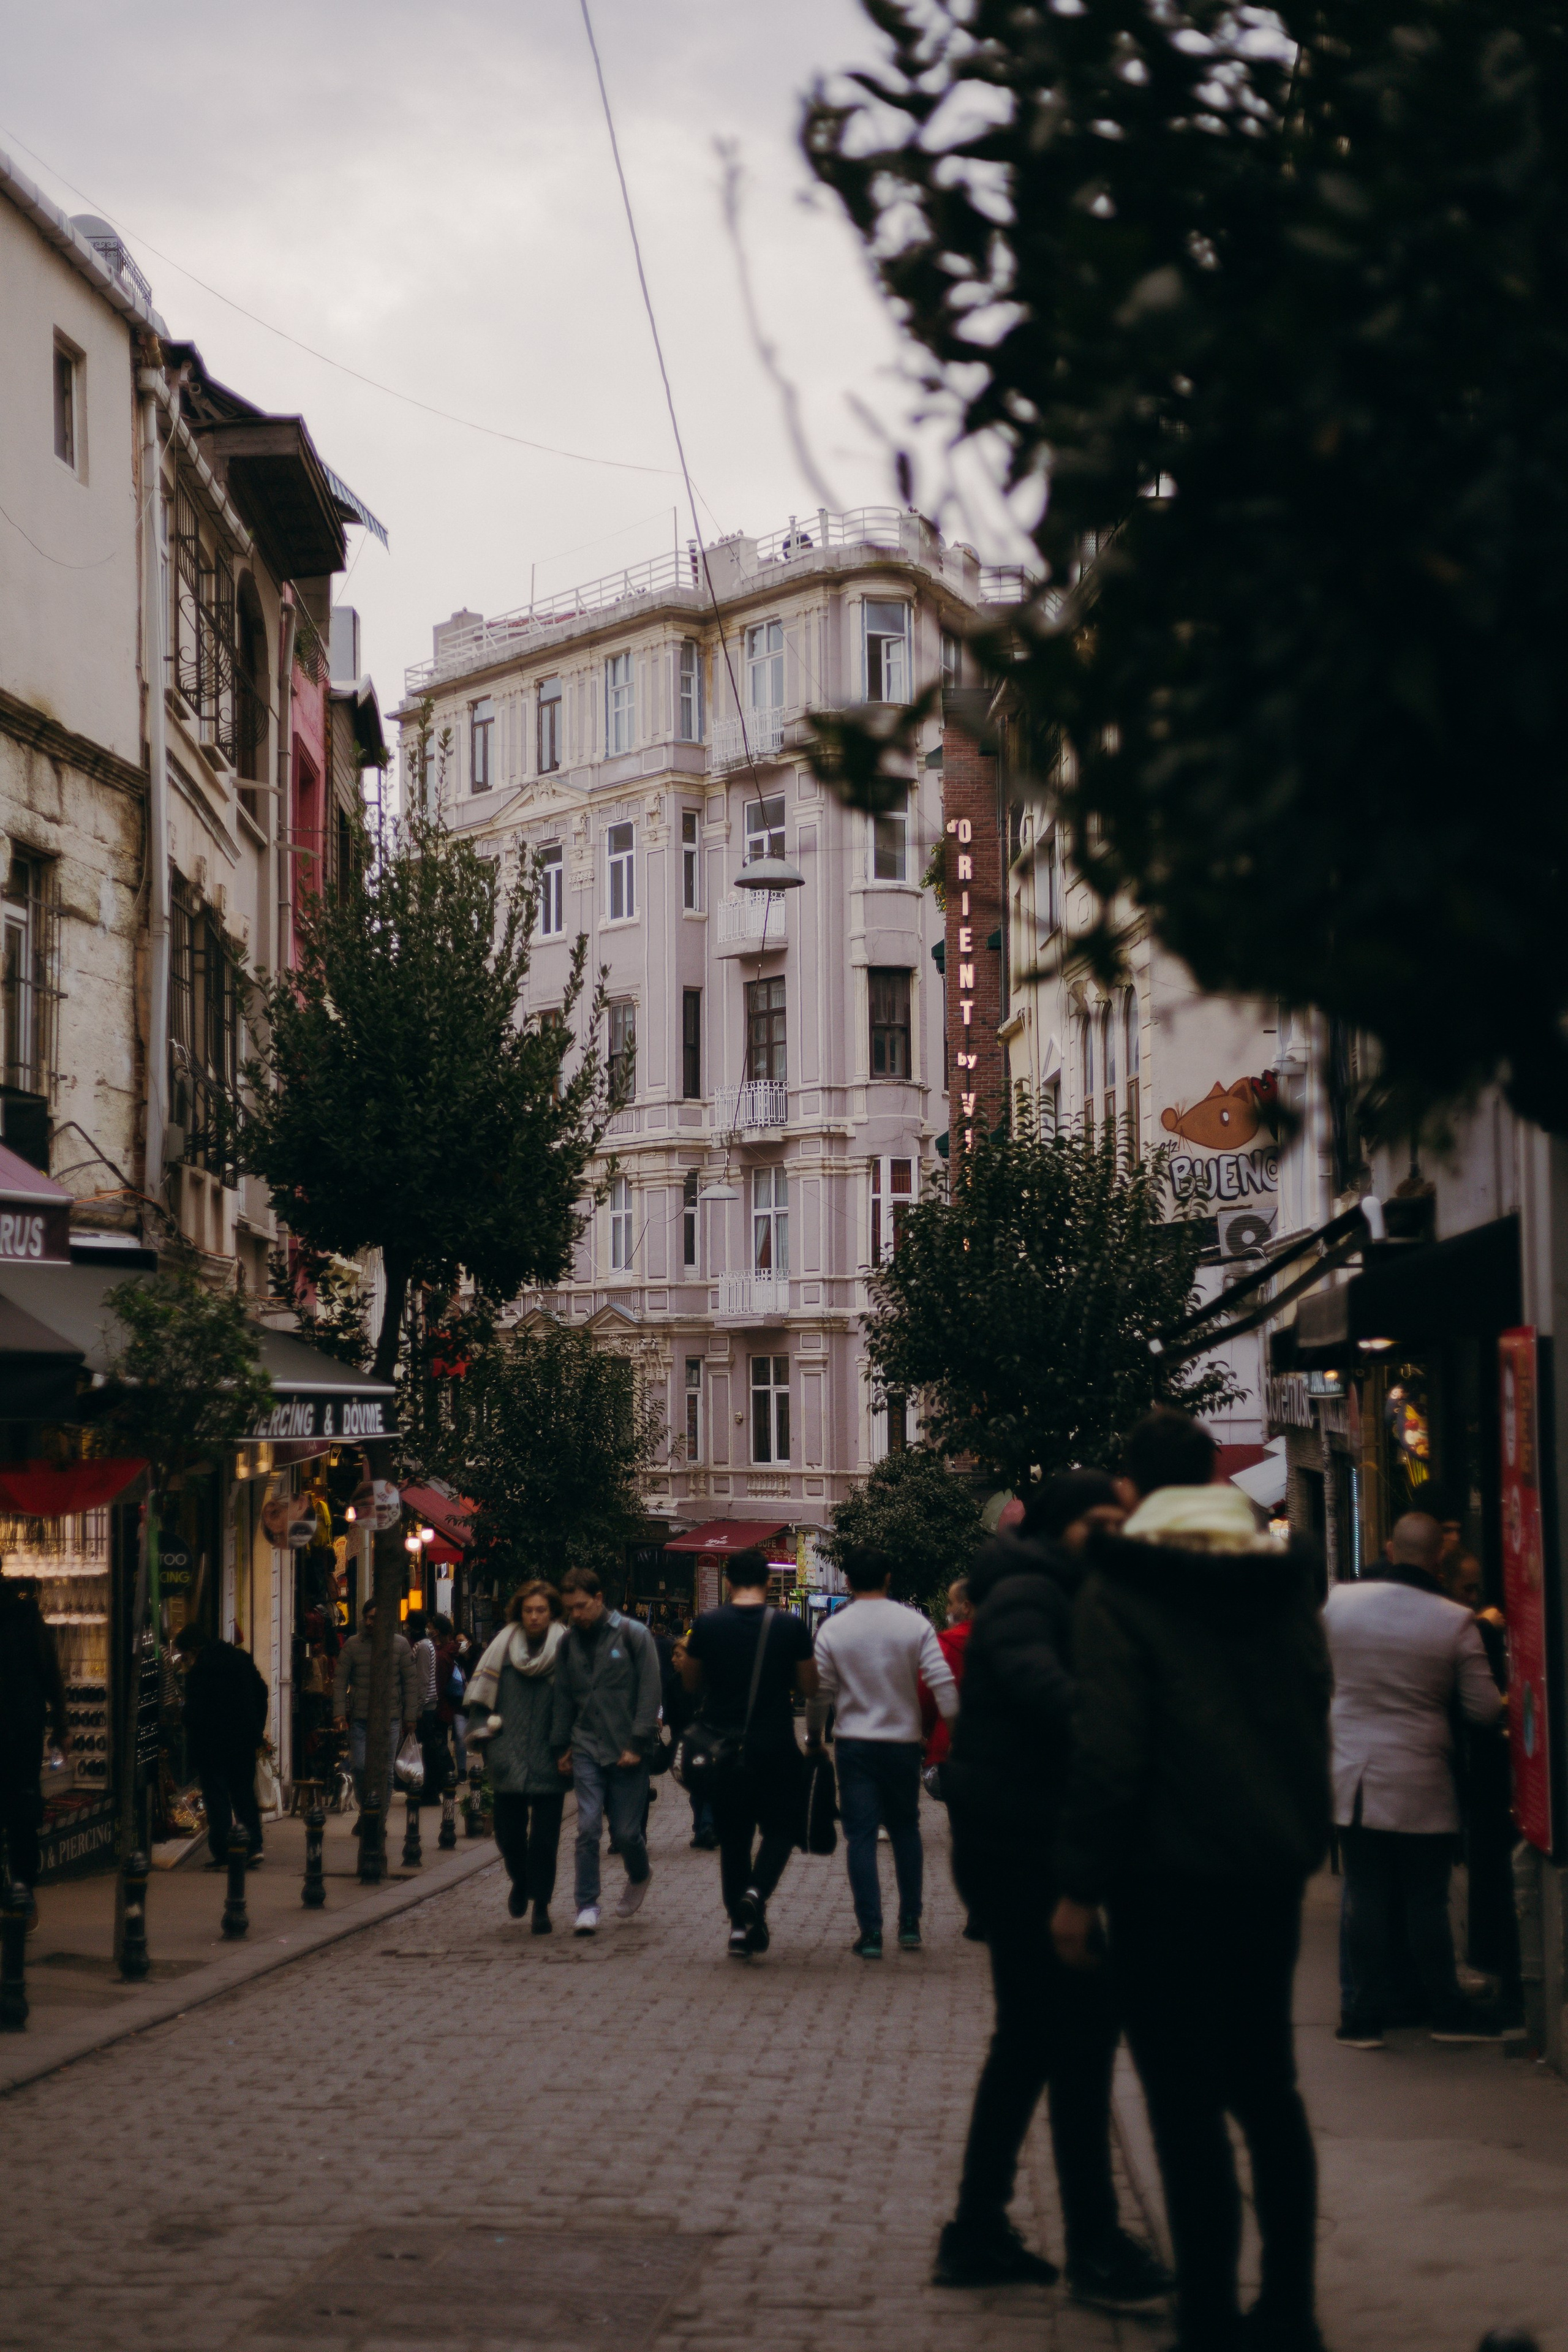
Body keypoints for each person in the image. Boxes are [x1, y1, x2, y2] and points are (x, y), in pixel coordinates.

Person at [1052, 1409, 1332, 2352]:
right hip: (1267, 1864)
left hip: (1164, 1874)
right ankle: (1289, 2309)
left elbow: (1111, 1747)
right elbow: (1311, 1706)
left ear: (1132, 1491)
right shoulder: (1282, 1581)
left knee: (1183, 2102)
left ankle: (1208, 2316)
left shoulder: (1120, 1590)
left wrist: (1080, 1884)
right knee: (1269, 2090)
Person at [938, 1471, 1169, 2307]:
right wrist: (1118, 1724)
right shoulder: (1030, 1597)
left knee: (1037, 2043)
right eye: (1108, 1519)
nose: (1121, 1531)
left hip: (1022, 1845)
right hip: (1020, 1854)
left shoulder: (1061, 1588)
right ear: (1073, 1527)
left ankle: (981, 2230)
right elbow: (1041, 1687)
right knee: (1071, 2042)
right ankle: (1091, 2245)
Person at [1323, 1510, 1506, 2048]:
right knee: (1427, 1902)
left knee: (1365, 1895)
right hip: (1421, 1775)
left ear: (1391, 1548)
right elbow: (1483, 1710)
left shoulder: (1338, 1603)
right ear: (1438, 1561)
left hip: (1354, 1774)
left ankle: (1363, 2017)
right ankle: (1446, 2011)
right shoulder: (1454, 1621)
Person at [805, 1546, 958, 1956]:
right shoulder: (914, 1625)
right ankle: (910, 1923)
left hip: (854, 1743)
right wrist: (955, 1736)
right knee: (907, 1828)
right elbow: (943, 1683)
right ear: (889, 1578)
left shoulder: (833, 1629)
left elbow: (820, 1693)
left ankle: (870, 1932)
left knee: (860, 1835)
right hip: (904, 1744)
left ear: (849, 1582)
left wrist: (814, 1736)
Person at [679, 1547, 819, 1957]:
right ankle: (757, 1893)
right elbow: (810, 1687)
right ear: (769, 1581)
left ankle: (739, 1929)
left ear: (727, 1581)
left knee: (734, 1838)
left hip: (723, 1749)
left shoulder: (706, 1625)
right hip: (775, 1743)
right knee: (783, 1828)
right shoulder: (790, 1627)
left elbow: (689, 1682)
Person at [550, 1566, 662, 1936]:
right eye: (570, 1609)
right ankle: (587, 1904)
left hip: (626, 1747)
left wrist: (638, 1742)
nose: (576, 1615)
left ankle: (640, 1872)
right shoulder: (568, 1643)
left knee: (628, 1833)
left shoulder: (634, 1635)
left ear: (599, 1599)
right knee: (586, 1827)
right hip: (586, 1745)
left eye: (582, 1606)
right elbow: (564, 1696)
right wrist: (562, 1744)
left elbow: (649, 1692)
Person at [464, 1581, 567, 1932]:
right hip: (508, 1754)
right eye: (529, 1610)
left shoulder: (566, 1648)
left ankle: (541, 1905)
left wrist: (571, 1746)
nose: (535, 1616)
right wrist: (486, 1739)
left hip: (550, 1756)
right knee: (508, 1835)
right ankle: (520, 1880)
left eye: (541, 1610)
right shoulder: (502, 1647)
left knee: (545, 1839)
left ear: (552, 1611)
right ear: (519, 1612)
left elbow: (582, 1699)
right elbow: (481, 1699)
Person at [175, 1624, 270, 1869]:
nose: (184, 1660)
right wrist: (256, 1728)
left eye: (185, 1655)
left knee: (217, 1797)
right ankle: (253, 1846)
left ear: (194, 1650)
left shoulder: (200, 1673)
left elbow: (194, 1712)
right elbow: (262, 1691)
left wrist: (184, 1718)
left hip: (212, 1745)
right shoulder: (240, 1659)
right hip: (242, 1742)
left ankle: (225, 1851)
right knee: (244, 1793)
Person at [0, 1574, 66, 1915]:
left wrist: (60, 1724)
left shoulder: (24, 1615)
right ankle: (23, 1893)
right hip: (23, 1729)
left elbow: (47, 1670)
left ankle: (20, 1894)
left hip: (20, 1729)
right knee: (22, 1810)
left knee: (20, 1809)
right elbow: (49, 1669)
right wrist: (60, 1724)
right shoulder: (24, 1615)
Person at [332, 1599, 419, 1811]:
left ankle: (380, 1818)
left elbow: (410, 1682)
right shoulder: (353, 1645)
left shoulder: (400, 1645)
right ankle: (367, 1810)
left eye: (376, 1618)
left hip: (391, 1718)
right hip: (361, 1718)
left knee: (386, 1770)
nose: (372, 1622)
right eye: (369, 1618)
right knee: (360, 1766)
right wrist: (339, 1713)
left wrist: (410, 1716)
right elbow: (340, 1680)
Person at [919, 1577, 972, 1781]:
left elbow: (926, 1694)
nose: (947, 1610)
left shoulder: (946, 1644)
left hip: (948, 1747)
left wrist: (926, 1733)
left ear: (966, 1607)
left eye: (950, 1603)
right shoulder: (1005, 1639)